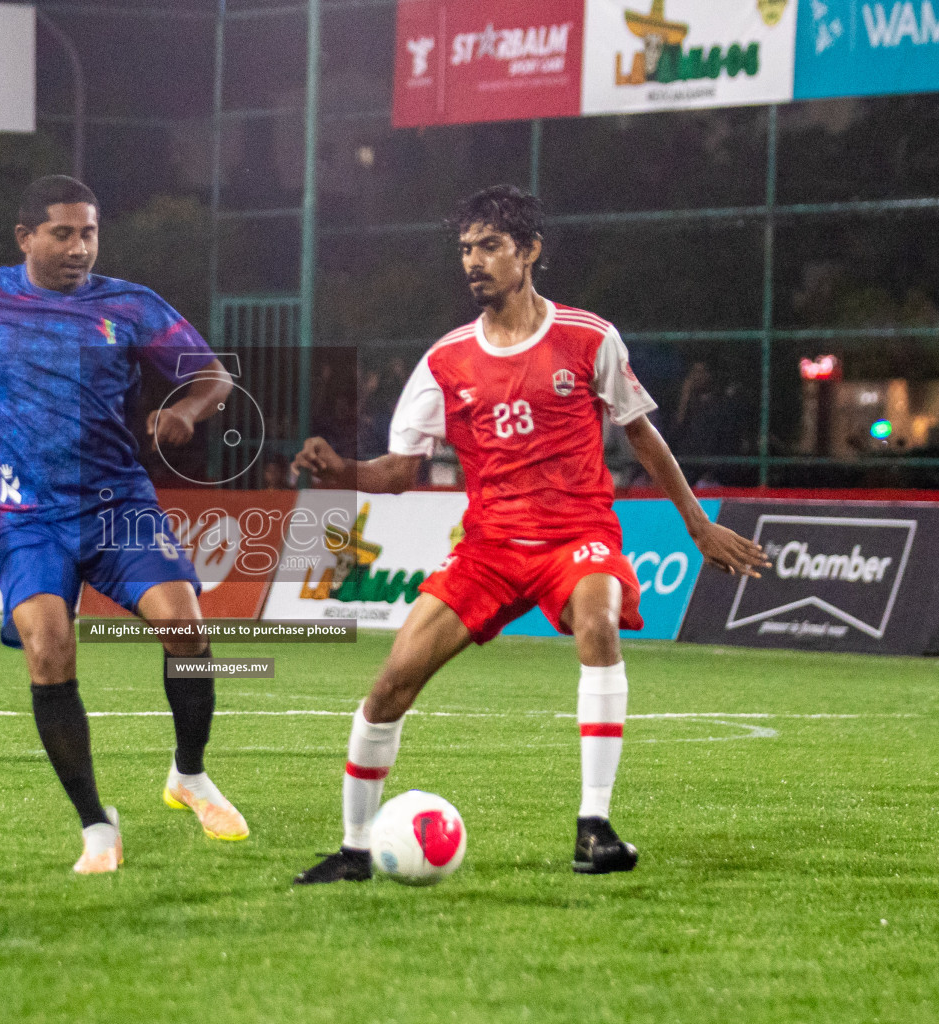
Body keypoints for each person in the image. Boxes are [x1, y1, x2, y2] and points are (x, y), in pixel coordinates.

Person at [290, 185, 768, 884]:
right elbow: (399, 472)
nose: (473, 262)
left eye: (489, 246)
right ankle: (355, 850)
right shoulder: (445, 362)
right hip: (487, 549)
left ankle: (594, 829)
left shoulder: (588, 337)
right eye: (465, 249)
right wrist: (340, 472)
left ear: (530, 252)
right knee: (392, 681)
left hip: (578, 536)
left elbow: (641, 434)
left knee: (597, 625)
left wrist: (697, 526)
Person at [0, 175, 249, 874]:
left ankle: (189, 774)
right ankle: (96, 824)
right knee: (49, 647)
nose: (79, 248)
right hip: (25, 511)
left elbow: (214, 377)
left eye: (88, 233)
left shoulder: (129, 305)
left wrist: (185, 410)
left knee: (186, 627)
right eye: (62, 233)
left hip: (117, 502)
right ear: (25, 238)